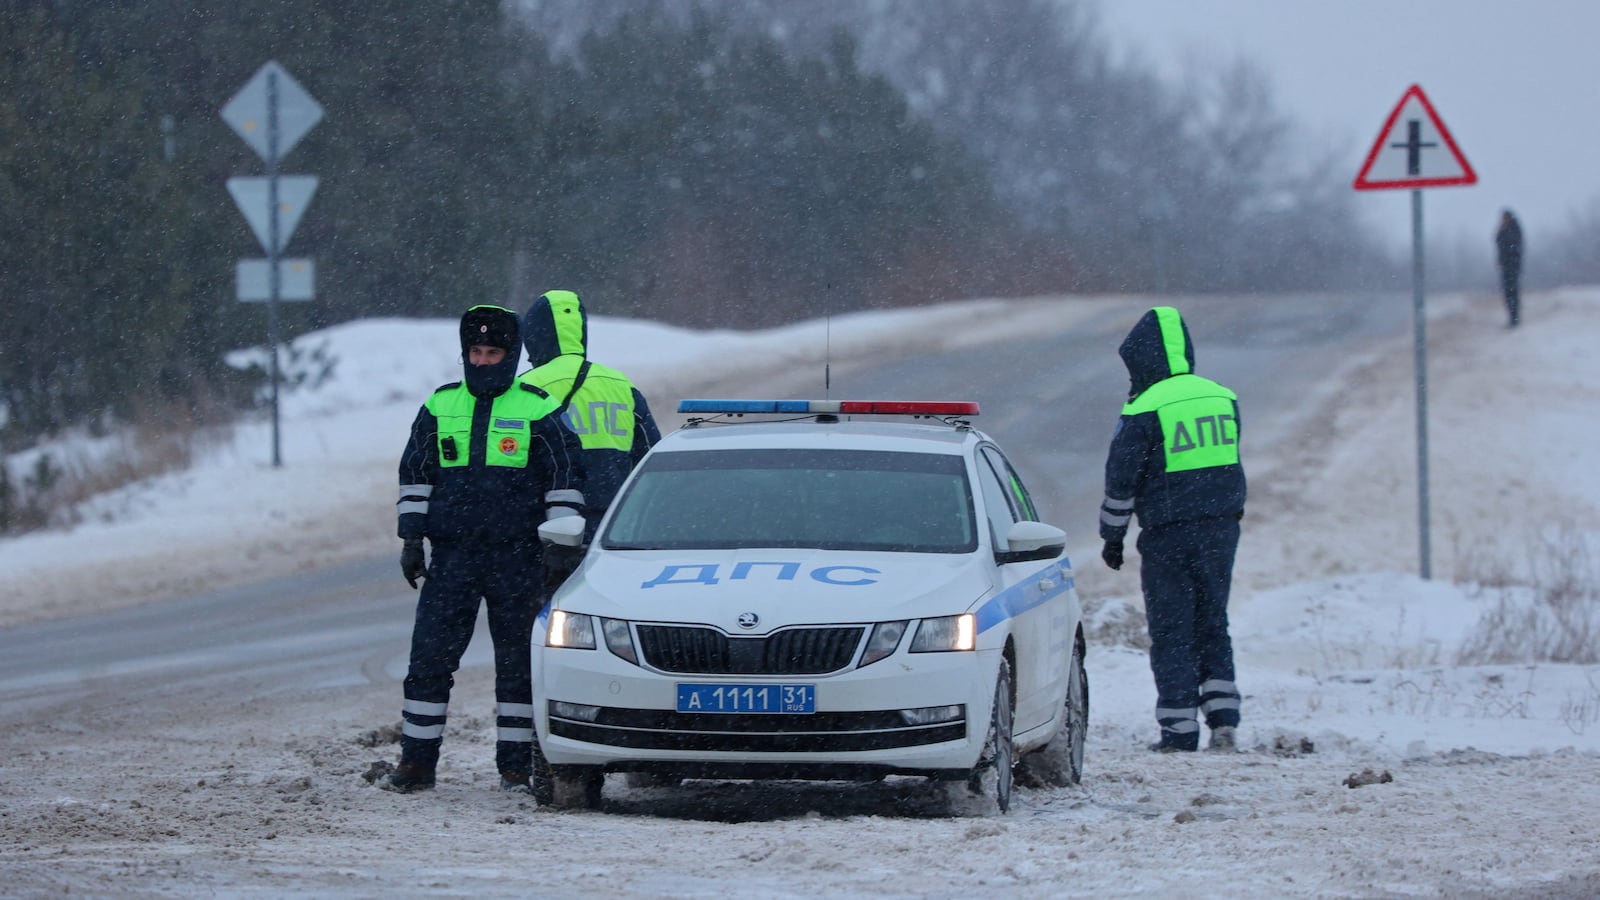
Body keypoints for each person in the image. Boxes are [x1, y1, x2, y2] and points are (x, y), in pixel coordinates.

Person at [387, 304, 585, 794]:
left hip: (517, 559)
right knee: (429, 661)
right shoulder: (439, 406)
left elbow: (564, 478)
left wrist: (560, 545)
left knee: (517, 666)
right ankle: (416, 765)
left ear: (510, 355)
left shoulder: (538, 408)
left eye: (492, 352)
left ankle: (516, 768)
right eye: (474, 352)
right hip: (452, 558)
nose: (481, 361)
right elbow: (415, 474)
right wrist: (412, 537)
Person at [1098, 306, 1246, 753]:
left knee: (1171, 628)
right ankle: (1223, 720)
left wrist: (1112, 535)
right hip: (1222, 528)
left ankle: (1178, 730)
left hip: (1168, 534)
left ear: (1144, 359)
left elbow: (1121, 480)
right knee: (1213, 620)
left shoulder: (1145, 407)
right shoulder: (1222, 396)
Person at [520, 289, 661, 567]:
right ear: (582, 332)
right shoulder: (621, 385)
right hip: (613, 529)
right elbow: (650, 460)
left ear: (534, 336)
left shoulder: (526, 387)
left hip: (548, 531)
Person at [1496, 209, 1524, 328]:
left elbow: (1513, 246)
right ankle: (1512, 317)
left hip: (1512, 266)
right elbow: (1499, 242)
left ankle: (1514, 318)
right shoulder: (1504, 229)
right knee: (1508, 293)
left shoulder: (1514, 230)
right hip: (1506, 266)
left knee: (1512, 292)